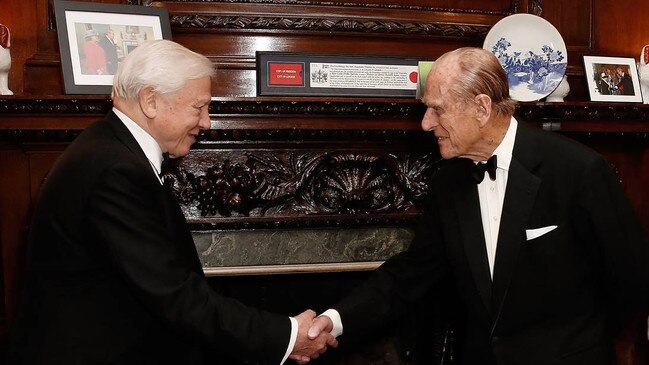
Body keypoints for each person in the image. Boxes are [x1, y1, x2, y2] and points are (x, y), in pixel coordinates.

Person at [300, 47, 649, 365]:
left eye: (437, 109)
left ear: (481, 108)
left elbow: (631, 276)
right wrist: (336, 319)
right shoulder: (448, 183)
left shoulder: (577, 170)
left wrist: (580, 344)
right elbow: (410, 275)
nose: (426, 124)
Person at [8, 40, 335, 364]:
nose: (206, 122)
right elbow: (175, 295)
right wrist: (287, 335)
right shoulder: (114, 169)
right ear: (151, 101)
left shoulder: (108, 150)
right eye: (199, 107)